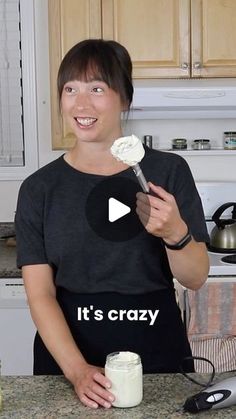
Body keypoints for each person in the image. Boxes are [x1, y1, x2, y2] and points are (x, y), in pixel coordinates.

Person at [15, 39, 209, 409]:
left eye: (97, 89)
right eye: (70, 89)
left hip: (157, 359)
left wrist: (175, 233)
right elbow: (40, 293)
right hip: (69, 362)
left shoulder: (167, 171)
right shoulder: (39, 188)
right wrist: (76, 371)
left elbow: (195, 277)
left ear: (124, 99)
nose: (81, 103)